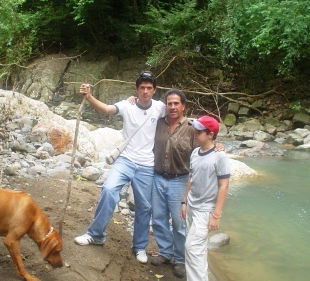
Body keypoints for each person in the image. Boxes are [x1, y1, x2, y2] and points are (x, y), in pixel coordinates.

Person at [74, 71, 166, 264]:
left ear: (154, 90)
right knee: (108, 189)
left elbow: (178, 115)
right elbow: (107, 110)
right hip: (125, 159)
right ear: (136, 89)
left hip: (147, 164)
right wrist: (89, 97)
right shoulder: (127, 105)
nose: (146, 91)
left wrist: (211, 139)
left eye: (149, 88)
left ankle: (140, 247)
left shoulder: (160, 108)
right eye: (142, 88)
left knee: (144, 206)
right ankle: (96, 235)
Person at [150, 90, 224, 278]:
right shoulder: (159, 123)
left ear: (183, 106)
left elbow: (206, 144)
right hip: (158, 176)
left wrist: (219, 146)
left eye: (176, 103)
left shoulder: (192, 128)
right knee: (158, 218)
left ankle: (181, 260)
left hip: (180, 179)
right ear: (165, 105)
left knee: (179, 222)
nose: (172, 107)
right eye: (169, 103)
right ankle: (166, 253)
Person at [180, 116, 230, 281]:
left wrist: (216, 215)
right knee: (196, 250)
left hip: (205, 210)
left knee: (192, 248)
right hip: (192, 206)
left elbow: (223, 186)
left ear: (210, 134)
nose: (195, 133)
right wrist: (184, 201)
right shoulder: (195, 152)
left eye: (199, 131)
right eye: (195, 129)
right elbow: (191, 178)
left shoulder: (220, 156)